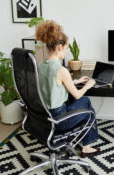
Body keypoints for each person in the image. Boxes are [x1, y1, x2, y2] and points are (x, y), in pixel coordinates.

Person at [35, 20, 100, 158]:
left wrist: (74, 81)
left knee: (81, 102)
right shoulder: (61, 69)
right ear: (59, 47)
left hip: (43, 118)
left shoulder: (40, 66)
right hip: (59, 120)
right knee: (85, 101)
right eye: (66, 48)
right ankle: (86, 146)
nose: (66, 52)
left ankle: (85, 144)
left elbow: (52, 84)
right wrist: (88, 85)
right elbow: (76, 95)